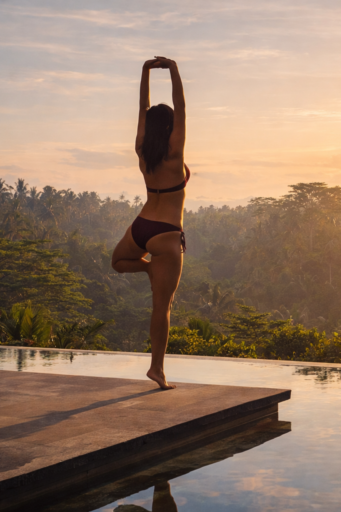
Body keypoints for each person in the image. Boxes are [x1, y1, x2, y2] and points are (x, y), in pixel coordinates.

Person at [112, 56, 188, 390]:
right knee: (162, 307)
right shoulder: (175, 153)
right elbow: (181, 105)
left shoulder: (142, 150)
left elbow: (142, 109)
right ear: (170, 128)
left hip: (141, 226)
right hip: (167, 236)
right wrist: (172, 68)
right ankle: (157, 369)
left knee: (118, 261)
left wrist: (144, 71)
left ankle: (145, 269)